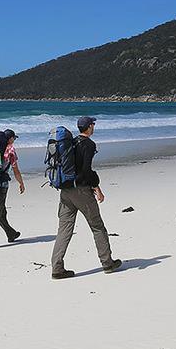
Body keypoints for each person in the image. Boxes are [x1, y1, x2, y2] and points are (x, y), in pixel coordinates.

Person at [51, 116, 121, 279]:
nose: (94, 127)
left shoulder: (71, 142)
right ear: (89, 127)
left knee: (64, 230)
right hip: (81, 191)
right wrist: (96, 187)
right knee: (97, 226)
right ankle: (107, 263)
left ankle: (57, 268)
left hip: (66, 191)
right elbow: (86, 170)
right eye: (93, 124)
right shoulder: (88, 144)